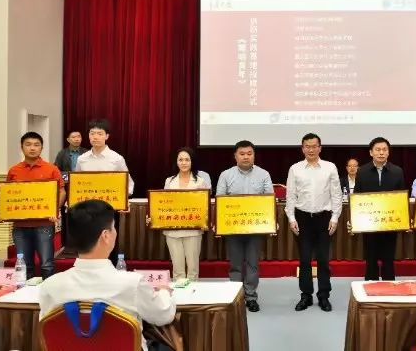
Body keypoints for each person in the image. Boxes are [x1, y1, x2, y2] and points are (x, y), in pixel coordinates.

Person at [39, 199, 175, 351]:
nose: (115, 232)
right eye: (113, 227)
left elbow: (50, 333)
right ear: (105, 236)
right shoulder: (132, 284)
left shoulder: (50, 286)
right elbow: (163, 315)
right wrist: (164, 291)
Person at [285, 133, 342, 312]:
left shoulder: (330, 167)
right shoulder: (295, 168)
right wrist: (291, 218)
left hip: (324, 218)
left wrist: (335, 217)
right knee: (304, 259)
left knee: (323, 259)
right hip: (302, 218)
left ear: (320, 148)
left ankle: (323, 295)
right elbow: (290, 195)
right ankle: (306, 295)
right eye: (307, 146)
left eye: (314, 146)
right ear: (302, 149)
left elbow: (336, 194)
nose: (311, 150)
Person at [216, 140, 273, 313]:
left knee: (252, 263)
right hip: (233, 228)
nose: (246, 157)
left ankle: (251, 297)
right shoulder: (226, 175)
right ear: (235, 156)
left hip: (255, 228)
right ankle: (236, 297)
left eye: (249, 153)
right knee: (235, 264)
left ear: (254, 155)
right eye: (242, 154)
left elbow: (269, 200)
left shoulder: (263, 174)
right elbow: (220, 200)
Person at [1, 132, 66, 280]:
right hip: (20, 225)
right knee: (24, 265)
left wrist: (55, 209)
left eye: (36, 145)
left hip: (44, 224)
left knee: (47, 264)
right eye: (28, 144)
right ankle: (25, 292)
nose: (32, 148)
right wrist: (2, 213)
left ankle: (48, 292)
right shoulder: (14, 171)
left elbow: (62, 191)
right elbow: (8, 196)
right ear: (22, 147)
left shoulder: (51, 169)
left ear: (41, 148)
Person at [75, 119, 135, 266]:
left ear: (107, 136)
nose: (95, 137)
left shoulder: (116, 159)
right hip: (87, 210)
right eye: (92, 133)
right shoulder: (82, 159)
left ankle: (110, 272)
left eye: (99, 133)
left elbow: (128, 183)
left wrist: (122, 200)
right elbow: (77, 183)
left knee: (108, 243)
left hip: (109, 209)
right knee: (88, 243)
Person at [353, 137, 405, 280]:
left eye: (384, 150)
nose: (381, 153)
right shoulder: (362, 171)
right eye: (378, 150)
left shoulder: (397, 171)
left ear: (388, 152)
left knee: (389, 259)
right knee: (371, 259)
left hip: (390, 223)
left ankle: (389, 288)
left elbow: (401, 198)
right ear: (371, 152)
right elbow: (357, 196)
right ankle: (370, 287)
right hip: (369, 224)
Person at [162, 147, 210, 282]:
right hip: (173, 230)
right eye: (180, 160)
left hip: (193, 230)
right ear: (176, 162)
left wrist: (204, 221)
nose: (184, 163)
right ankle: (179, 295)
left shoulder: (200, 182)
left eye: (187, 160)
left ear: (192, 162)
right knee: (178, 270)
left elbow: (204, 206)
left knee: (193, 269)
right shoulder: (169, 181)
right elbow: (163, 204)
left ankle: (192, 294)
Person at [53, 130, 87, 248]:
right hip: (67, 189)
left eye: (79, 136)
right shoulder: (62, 154)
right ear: (68, 140)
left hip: (84, 189)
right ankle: (66, 244)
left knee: (83, 215)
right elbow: (56, 170)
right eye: (73, 137)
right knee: (67, 216)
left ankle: (84, 242)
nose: (77, 139)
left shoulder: (87, 152)